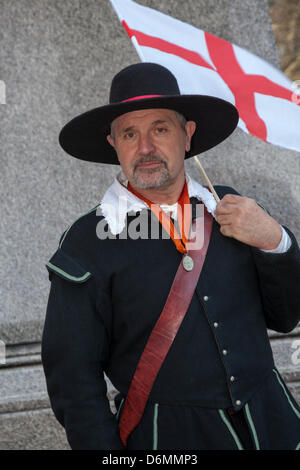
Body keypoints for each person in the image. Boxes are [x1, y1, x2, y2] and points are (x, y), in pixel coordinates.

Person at [41, 62, 300, 450]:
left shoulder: (231, 207)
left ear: (187, 135)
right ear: (114, 145)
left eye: (160, 129)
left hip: (274, 425)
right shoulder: (86, 243)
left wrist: (276, 240)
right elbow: (74, 384)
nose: (145, 148)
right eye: (130, 133)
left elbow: (286, 316)